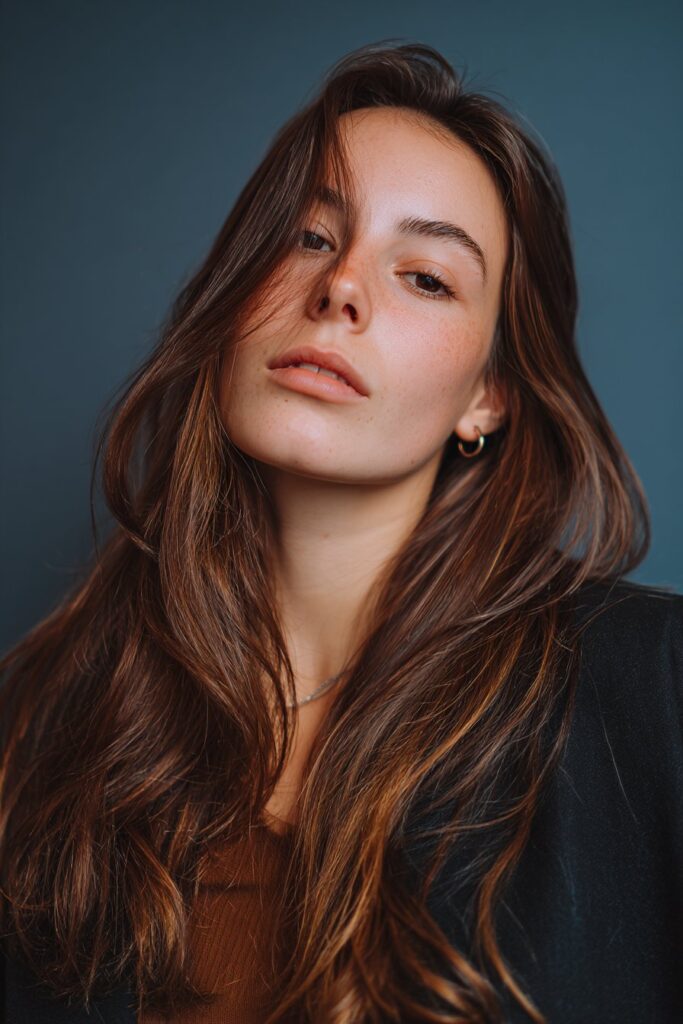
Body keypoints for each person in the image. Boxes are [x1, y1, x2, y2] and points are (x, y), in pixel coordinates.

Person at [1, 39, 681, 1024]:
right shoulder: (49, 721)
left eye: (426, 277)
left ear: (487, 397)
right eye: (308, 237)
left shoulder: (651, 689)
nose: (340, 288)